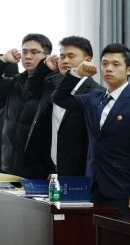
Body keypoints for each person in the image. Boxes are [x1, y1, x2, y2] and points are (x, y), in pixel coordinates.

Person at [50, 42, 130, 216]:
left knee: (117, 232)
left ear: (129, 70)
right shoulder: (94, 97)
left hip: (122, 187)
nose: (108, 69)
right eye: (105, 64)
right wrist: (76, 74)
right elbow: (59, 98)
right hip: (93, 183)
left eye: (115, 64)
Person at [19, 35, 94, 179]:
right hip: (47, 170)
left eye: (71, 56)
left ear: (88, 60)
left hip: (79, 174)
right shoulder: (51, 84)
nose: (65, 61)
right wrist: (45, 67)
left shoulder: (95, 93)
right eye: (62, 56)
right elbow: (30, 87)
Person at [0, 34, 52, 177]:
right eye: (24, 52)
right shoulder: (15, 84)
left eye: (34, 52)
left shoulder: (53, 85)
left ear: (47, 56)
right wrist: (2, 60)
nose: (28, 56)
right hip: (9, 167)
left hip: (40, 170)